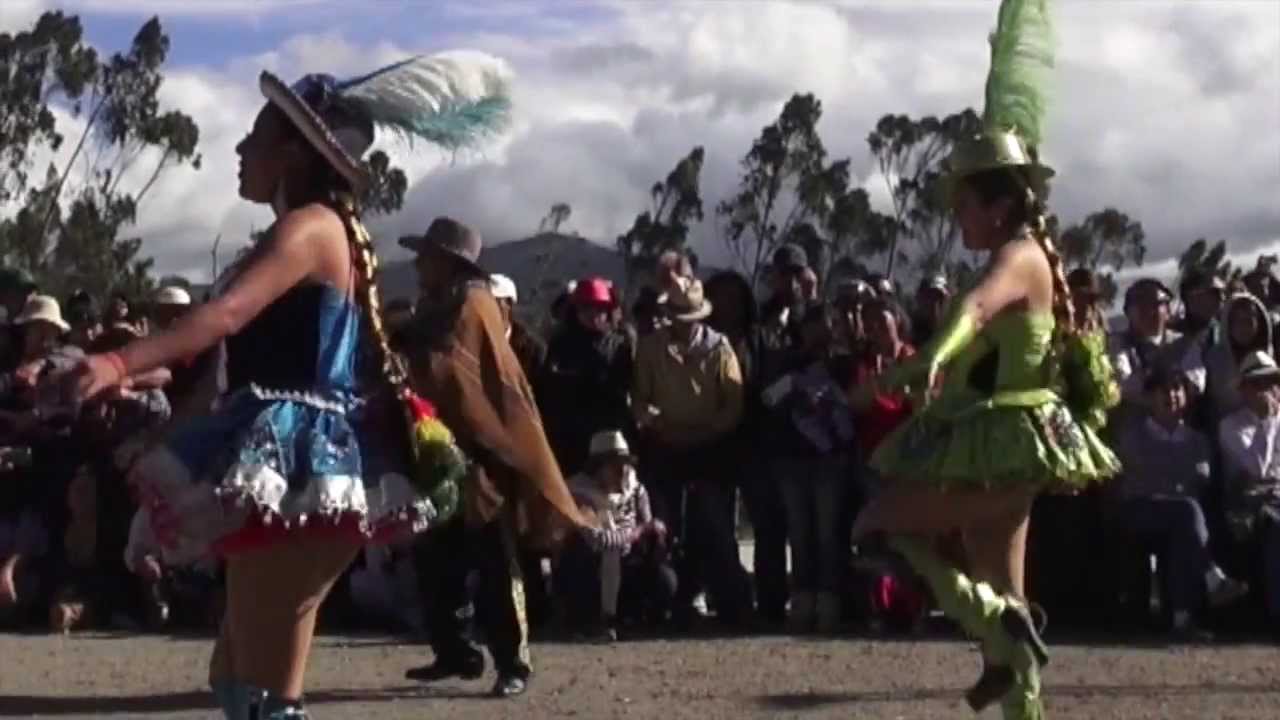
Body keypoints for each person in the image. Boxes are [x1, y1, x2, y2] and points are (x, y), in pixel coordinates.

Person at [65, 51, 511, 718]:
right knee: (238, 676)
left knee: (265, 693)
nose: (240, 150)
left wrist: (119, 363)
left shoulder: (308, 230)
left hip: (305, 463)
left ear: (295, 156)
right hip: (286, 459)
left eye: (255, 139)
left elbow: (224, 316)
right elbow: (232, 359)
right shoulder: (309, 231)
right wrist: (162, 415)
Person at [850, 4, 1119, 715]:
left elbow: (973, 314)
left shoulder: (1015, 259)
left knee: (877, 526)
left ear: (997, 207)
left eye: (964, 203)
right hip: (1002, 434)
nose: (957, 217)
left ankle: (996, 624)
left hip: (1006, 437)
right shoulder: (1027, 254)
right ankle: (1008, 642)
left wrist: (922, 362)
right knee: (1006, 594)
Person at [400, 218, 590, 698]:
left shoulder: (472, 304)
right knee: (434, 557)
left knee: (494, 562)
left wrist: (412, 358)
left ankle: (513, 663)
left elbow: (454, 368)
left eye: (426, 255)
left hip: (483, 454)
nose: (419, 263)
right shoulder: (438, 305)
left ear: (447, 260)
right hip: (442, 448)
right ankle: (455, 651)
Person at [633, 276, 751, 628]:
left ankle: (731, 603)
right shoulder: (650, 349)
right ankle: (667, 602)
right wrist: (657, 425)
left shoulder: (720, 349)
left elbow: (733, 402)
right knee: (664, 530)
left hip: (709, 452)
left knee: (714, 526)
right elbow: (640, 398)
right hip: (664, 449)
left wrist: (706, 430)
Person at [1110, 364, 1247, 639]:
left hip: (1183, 517)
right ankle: (1212, 578)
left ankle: (1182, 620)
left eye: (1177, 389)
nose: (1171, 396)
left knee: (1185, 524)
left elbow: (1202, 480)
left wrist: (1171, 483)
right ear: (1149, 398)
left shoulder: (1198, 440)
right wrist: (1175, 484)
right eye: (1163, 390)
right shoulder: (1133, 436)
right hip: (1139, 509)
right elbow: (1140, 481)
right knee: (1186, 511)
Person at [556, 430, 674, 641]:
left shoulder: (635, 489)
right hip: (591, 570)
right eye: (614, 464)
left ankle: (636, 616)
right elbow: (600, 540)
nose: (622, 470)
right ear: (597, 468)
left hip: (628, 565)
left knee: (665, 579)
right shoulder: (579, 493)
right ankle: (592, 620)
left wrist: (653, 532)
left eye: (625, 463)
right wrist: (638, 531)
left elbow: (649, 524)